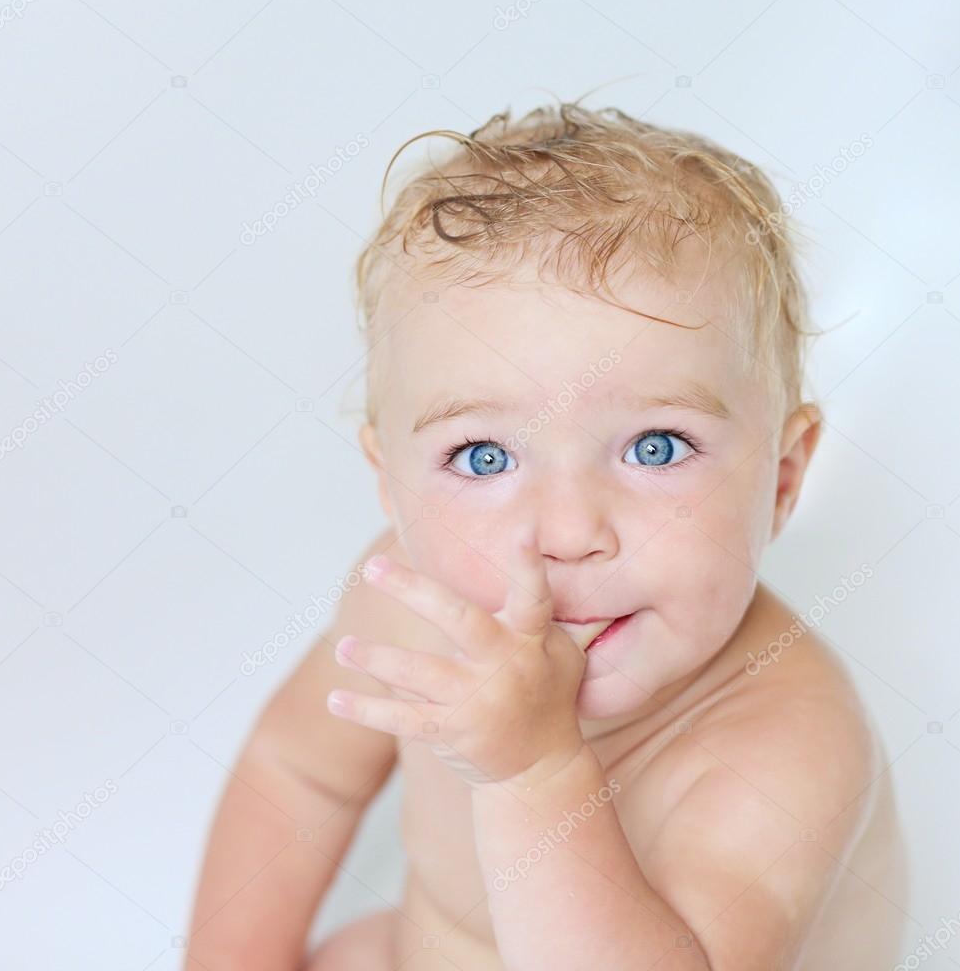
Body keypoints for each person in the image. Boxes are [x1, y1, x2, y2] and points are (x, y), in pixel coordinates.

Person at [184, 100, 906, 970]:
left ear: (782, 478)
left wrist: (534, 778)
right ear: (391, 484)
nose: (567, 534)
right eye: (483, 456)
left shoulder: (786, 737)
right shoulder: (409, 608)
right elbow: (298, 773)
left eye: (656, 447)